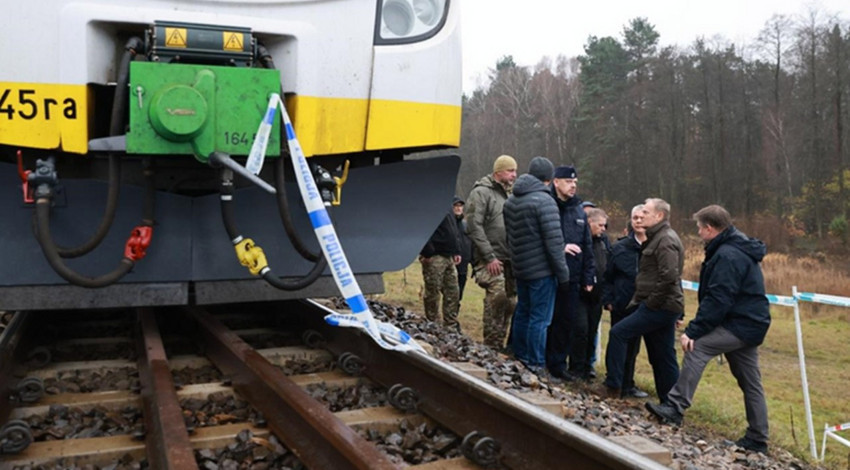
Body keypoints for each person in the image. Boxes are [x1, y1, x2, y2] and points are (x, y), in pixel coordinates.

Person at [646, 205, 771, 454]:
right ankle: (758, 437)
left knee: (697, 347)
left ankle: (675, 407)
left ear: (709, 228)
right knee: (750, 382)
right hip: (749, 322)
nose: (699, 232)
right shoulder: (734, 248)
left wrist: (694, 330)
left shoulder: (727, 255)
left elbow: (719, 298)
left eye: (700, 228)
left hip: (740, 323)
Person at [602, 198, 684, 401]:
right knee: (662, 355)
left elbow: (669, 277)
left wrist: (650, 303)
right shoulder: (656, 237)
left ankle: (613, 387)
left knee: (619, 333)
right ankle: (670, 403)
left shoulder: (665, 240)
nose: (640, 217)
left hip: (660, 306)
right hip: (661, 305)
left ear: (659, 216)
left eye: (646, 212)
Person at [503, 157, 570, 378]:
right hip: (542, 270)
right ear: (548, 179)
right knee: (540, 319)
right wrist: (563, 274)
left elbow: (510, 237)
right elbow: (554, 242)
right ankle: (536, 363)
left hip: (521, 268)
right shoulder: (545, 201)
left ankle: (520, 355)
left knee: (523, 312)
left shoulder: (512, 201)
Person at [546, 165, 595, 381]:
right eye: (568, 182)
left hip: (573, 277)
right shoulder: (547, 205)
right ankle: (541, 361)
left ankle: (558, 365)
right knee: (548, 320)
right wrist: (560, 248)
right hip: (549, 274)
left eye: (575, 182)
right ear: (556, 182)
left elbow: (587, 246)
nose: (573, 186)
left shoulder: (578, 209)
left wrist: (588, 275)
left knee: (566, 322)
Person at [466, 155, 518, 349]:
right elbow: (474, 226)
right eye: (510, 170)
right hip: (490, 258)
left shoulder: (511, 194)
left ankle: (500, 345)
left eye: (515, 170)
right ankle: (491, 346)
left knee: (510, 303)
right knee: (497, 299)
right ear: (498, 172)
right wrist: (489, 256)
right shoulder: (481, 193)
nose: (514, 175)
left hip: (509, 259)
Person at [602, 205, 650, 399]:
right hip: (622, 303)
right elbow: (608, 276)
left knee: (634, 348)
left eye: (641, 218)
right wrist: (608, 299)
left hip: (645, 305)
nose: (638, 221)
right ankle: (613, 382)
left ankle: (628, 384)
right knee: (618, 343)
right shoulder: (619, 247)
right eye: (635, 218)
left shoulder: (657, 246)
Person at [419, 204, 462, 330]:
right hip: (435, 255)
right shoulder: (428, 203)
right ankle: (432, 324)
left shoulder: (447, 203)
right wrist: (427, 251)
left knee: (453, 291)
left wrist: (456, 250)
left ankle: (450, 325)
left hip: (449, 255)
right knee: (433, 291)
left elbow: (453, 229)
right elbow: (422, 227)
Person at [581, 208, 611, 380]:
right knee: (581, 330)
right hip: (581, 293)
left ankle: (588, 366)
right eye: (600, 225)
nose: (603, 229)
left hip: (598, 294)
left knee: (592, 330)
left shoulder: (603, 241)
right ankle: (576, 365)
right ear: (589, 223)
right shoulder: (582, 240)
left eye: (604, 225)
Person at [452, 196, 473, 301]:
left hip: (463, 265)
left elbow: (470, 243)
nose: (458, 208)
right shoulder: (447, 224)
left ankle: (455, 312)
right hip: (449, 263)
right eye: (455, 206)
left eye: (460, 206)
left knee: (459, 292)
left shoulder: (466, 225)